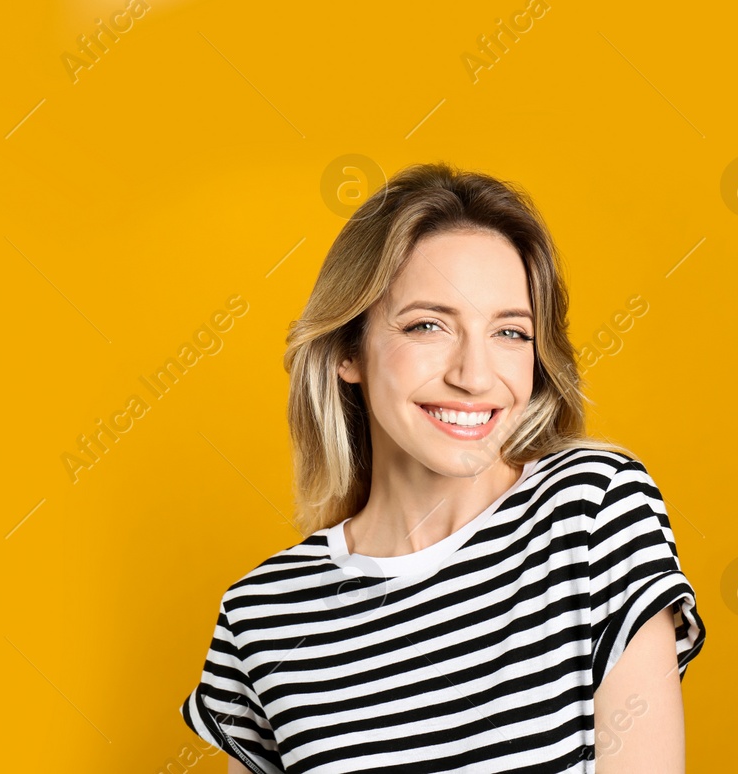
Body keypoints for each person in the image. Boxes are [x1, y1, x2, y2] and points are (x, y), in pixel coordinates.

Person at [178, 162, 706, 773]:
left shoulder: (592, 513)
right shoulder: (266, 614)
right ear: (348, 349)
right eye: (429, 325)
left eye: (510, 332)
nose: (475, 376)